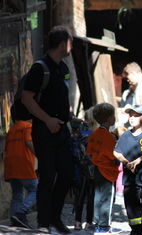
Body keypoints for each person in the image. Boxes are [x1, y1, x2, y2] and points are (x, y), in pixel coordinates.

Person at [21, 26, 77, 234]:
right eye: (71, 42)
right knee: (47, 177)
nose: (73, 46)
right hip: (44, 131)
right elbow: (27, 99)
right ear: (63, 45)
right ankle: (44, 223)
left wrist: (69, 118)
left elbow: (61, 97)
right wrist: (47, 120)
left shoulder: (63, 68)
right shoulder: (40, 68)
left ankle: (55, 218)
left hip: (63, 132)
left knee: (67, 175)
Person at [114, 104, 142, 235]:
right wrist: (125, 162)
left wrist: (140, 159)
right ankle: (135, 228)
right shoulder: (125, 135)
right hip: (129, 178)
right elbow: (116, 152)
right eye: (130, 115)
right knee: (131, 204)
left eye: (136, 115)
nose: (132, 118)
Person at [86, 103, 121, 234]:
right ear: (109, 118)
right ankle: (105, 226)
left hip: (97, 169)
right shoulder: (108, 136)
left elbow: (89, 151)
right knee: (107, 198)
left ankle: (98, 223)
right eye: (113, 115)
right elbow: (113, 155)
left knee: (98, 197)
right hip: (107, 170)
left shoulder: (95, 133)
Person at [4, 118, 38, 229]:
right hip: (24, 163)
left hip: (11, 165)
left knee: (17, 194)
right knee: (36, 190)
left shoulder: (12, 129)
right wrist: (41, 156)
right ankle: (21, 212)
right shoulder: (27, 126)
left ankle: (14, 219)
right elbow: (28, 141)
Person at [74, 107, 98, 231]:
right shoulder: (97, 135)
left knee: (80, 196)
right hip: (93, 169)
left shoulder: (79, 135)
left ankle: (77, 222)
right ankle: (89, 222)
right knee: (91, 197)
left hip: (80, 169)